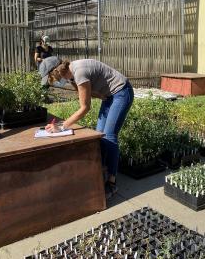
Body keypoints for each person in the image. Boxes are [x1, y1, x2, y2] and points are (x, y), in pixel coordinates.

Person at [39, 56, 134, 199]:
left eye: (51, 78)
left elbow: (85, 107)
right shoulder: (72, 77)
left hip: (121, 92)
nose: (53, 81)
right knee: (99, 135)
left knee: (109, 136)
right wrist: (101, 93)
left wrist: (62, 126)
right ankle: (100, 172)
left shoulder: (79, 72)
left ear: (56, 71)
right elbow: (88, 94)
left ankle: (111, 182)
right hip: (109, 96)